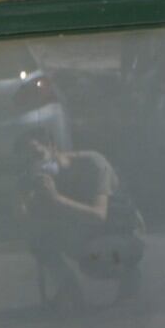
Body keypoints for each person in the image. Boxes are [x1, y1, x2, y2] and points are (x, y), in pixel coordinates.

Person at [17, 130, 143, 311]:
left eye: (38, 155)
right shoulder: (38, 180)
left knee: (92, 262)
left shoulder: (93, 163)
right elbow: (30, 223)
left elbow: (99, 215)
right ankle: (69, 290)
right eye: (28, 160)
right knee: (39, 240)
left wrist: (56, 198)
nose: (36, 164)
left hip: (122, 233)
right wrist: (22, 202)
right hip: (90, 234)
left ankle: (128, 273)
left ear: (52, 147)